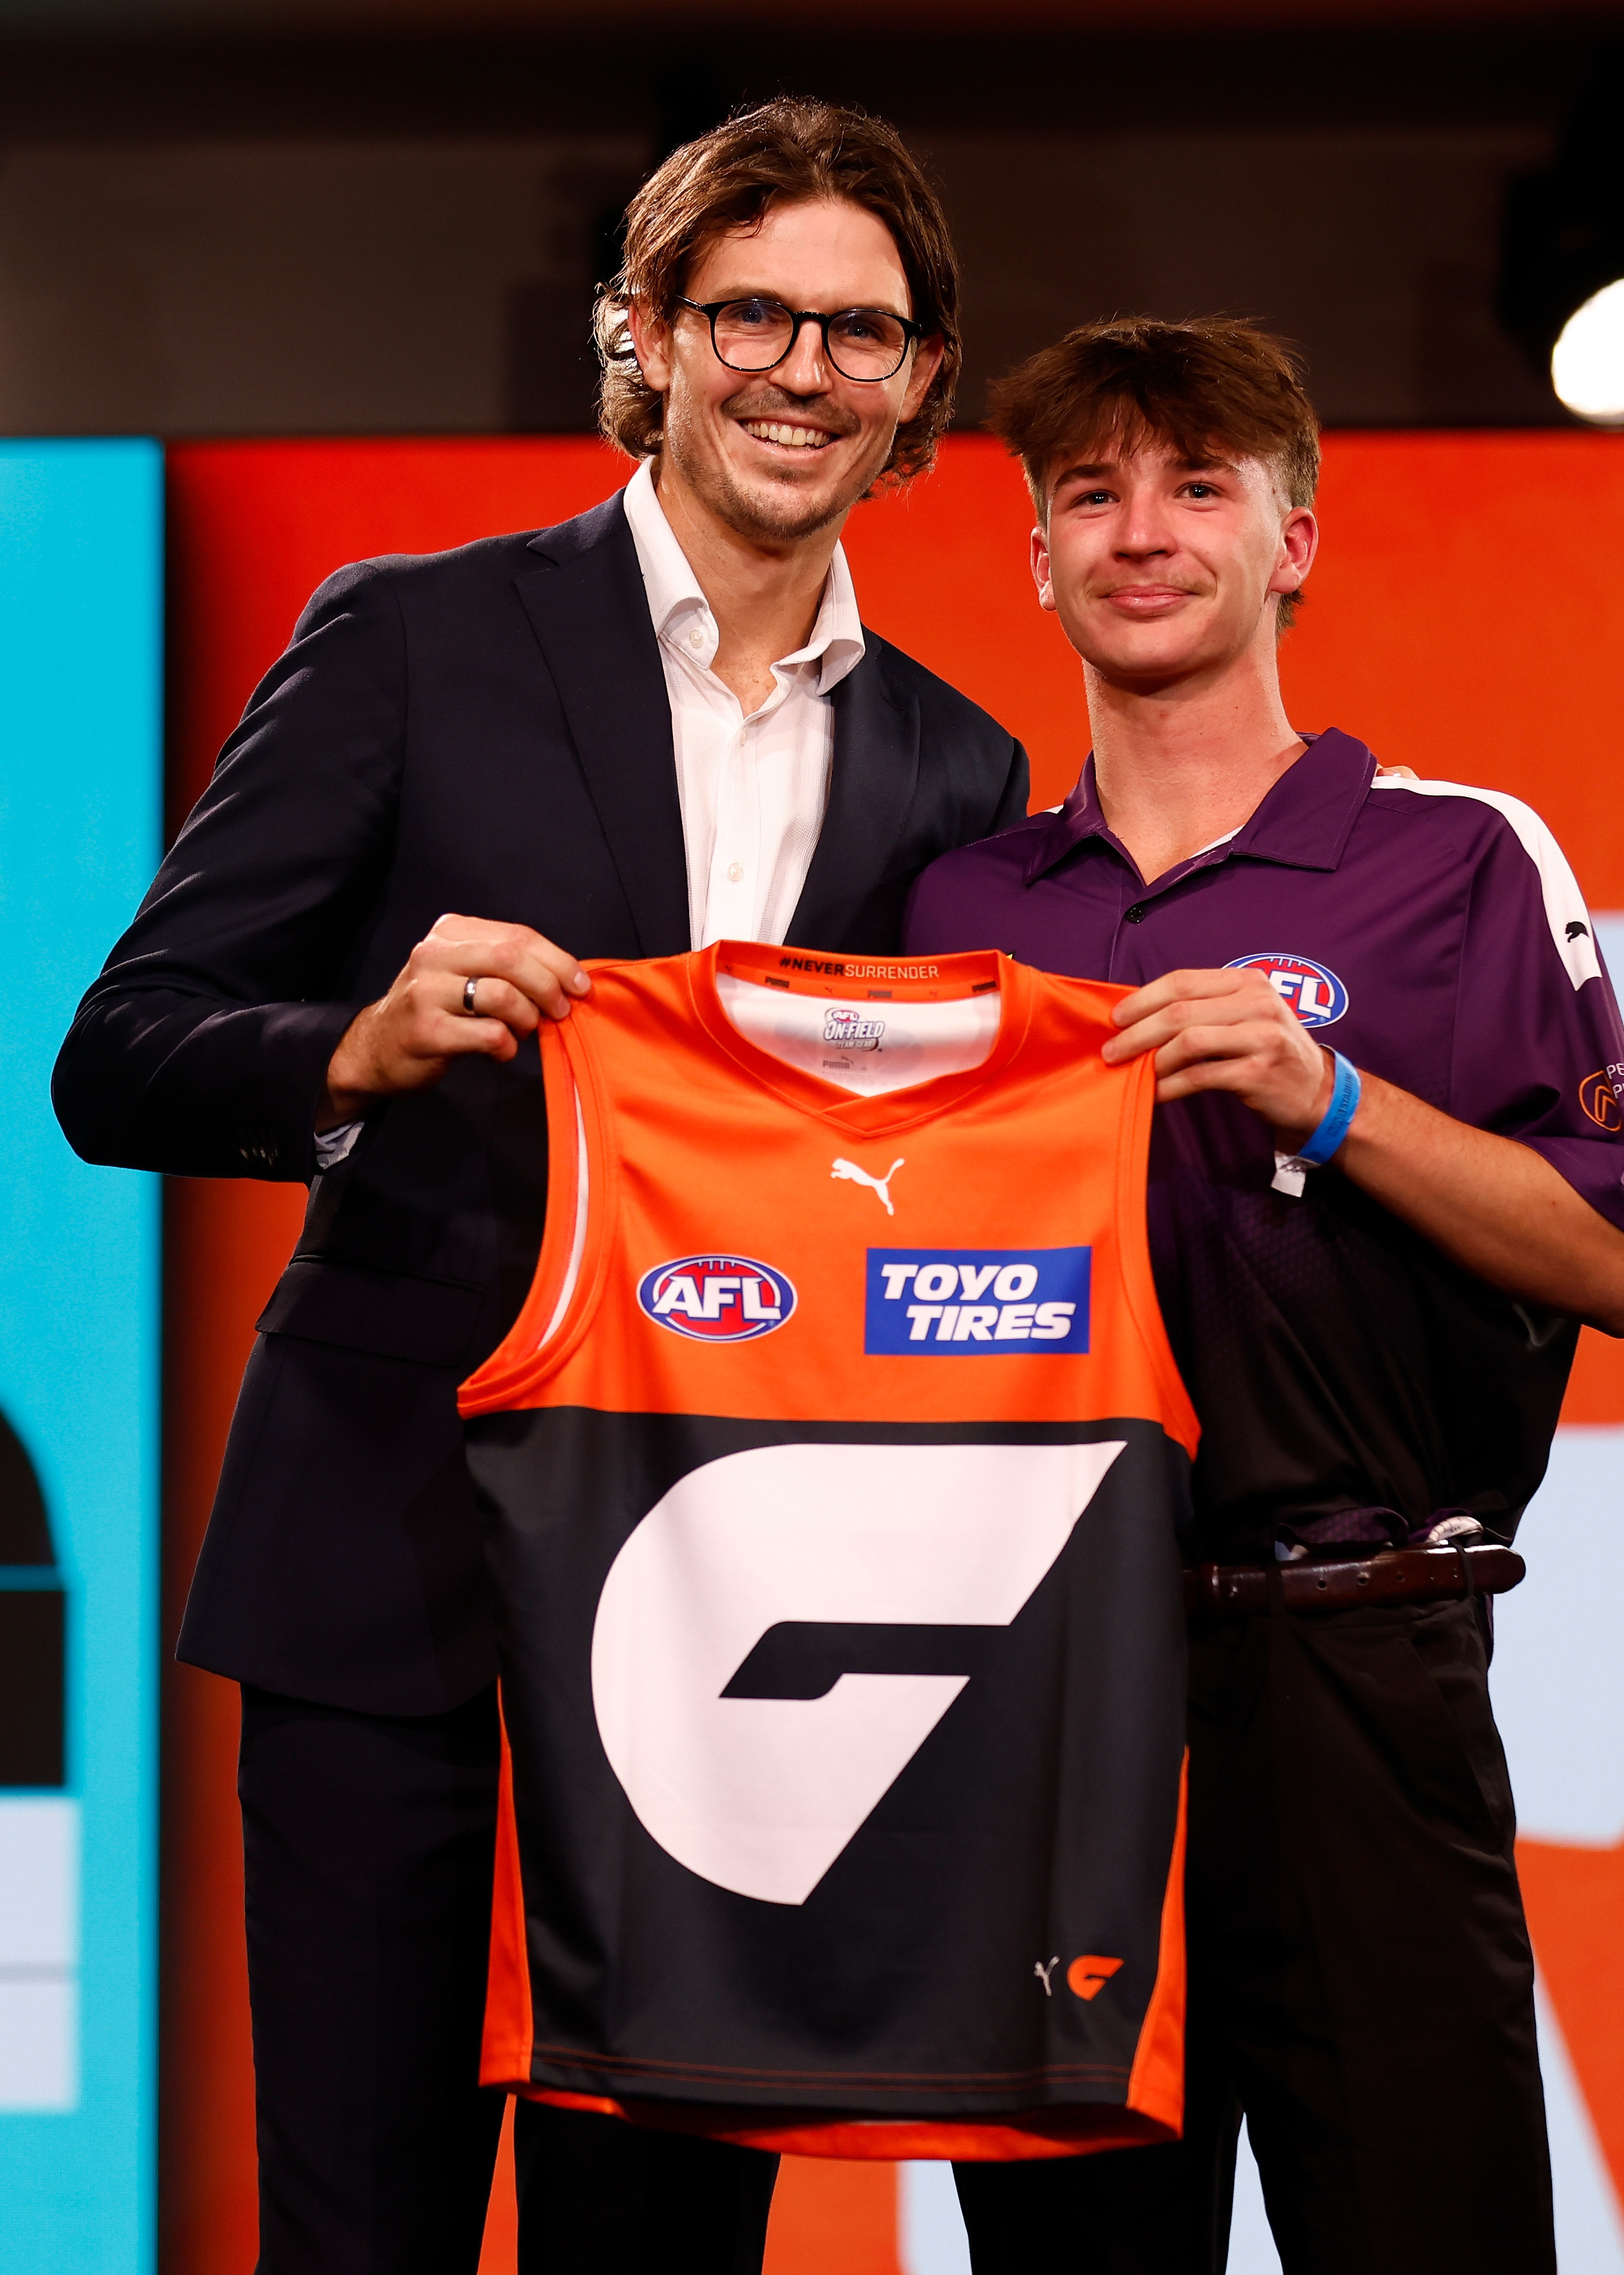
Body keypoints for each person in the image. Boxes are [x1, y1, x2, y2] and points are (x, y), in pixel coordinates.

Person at [53, 97, 1025, 2275]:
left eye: (860, 333)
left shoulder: (959, 766)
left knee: (669, 2245)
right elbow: (120, 1055)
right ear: (647, 335)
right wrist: (354, 1052)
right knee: (364, 2225)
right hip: (383, 1575)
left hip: (737, 1632)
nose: (803, 369)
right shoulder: (412, 636)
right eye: (750, 312)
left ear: (920, 387)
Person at [904, 315, 1624, 2275]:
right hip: (1051, 1694)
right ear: (1037, 554)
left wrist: (1328, 1097)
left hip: (1360, 1659)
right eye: (1092, 492)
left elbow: (1617, 1261)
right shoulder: (961, 906)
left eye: (1198, 486)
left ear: (1296, 539)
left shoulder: (1453, 861)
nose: (1140, 531)